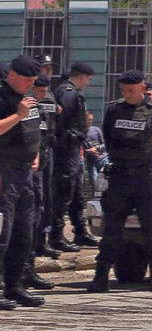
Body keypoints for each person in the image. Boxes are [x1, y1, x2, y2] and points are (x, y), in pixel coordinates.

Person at [87, 70, 152, 293]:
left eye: (130, 90)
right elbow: (108, 138)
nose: (126, 94)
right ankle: (101, 276)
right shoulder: (114, 110)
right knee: (112, 229)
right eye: (123, 90)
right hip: (120, 177)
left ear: (142, 88)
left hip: (147, 177)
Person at [0, 55, 46, 308]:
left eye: (33, 81)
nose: (30, 85)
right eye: (27, 80)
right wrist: (18, 114)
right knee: (2, 232)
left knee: (23, 232)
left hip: (25, 172)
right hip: (3, 171)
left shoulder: (27, 101)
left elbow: (35, 131)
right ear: (13, 75)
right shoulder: (5, 99)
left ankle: (15, 286)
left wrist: (35, 155)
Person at [51, 62, 97, 252]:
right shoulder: (68, 93)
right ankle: (56, 236)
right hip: (66, 150)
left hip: (73, 149)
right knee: (64, 192)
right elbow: (60, 124)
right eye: (87, 79)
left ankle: (80, 231)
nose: (87, 83)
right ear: (81, 76)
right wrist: (74, 136)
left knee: (76, 193)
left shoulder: (70, 92)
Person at [22, 75, 58, 292]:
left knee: (34, 218)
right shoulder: (17, 105)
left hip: (38, 169)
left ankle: (27, 271)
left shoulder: (38, 109)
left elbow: (41, 137)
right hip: (18, 170)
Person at [31, 66, 61, 261]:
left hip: (45, 155)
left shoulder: (49, 100)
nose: (42, 95)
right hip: (27, 163)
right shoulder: (22, 105)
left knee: (43, 204)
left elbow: (55, 124)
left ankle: (40, 244)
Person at [84, 118, 109, 194]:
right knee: (96, 187)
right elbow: (80, 150)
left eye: (91, 119)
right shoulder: (80, 133)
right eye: (88, 119)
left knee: (108, 183)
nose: (90, 121)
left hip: (103, 159)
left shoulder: (96, 130)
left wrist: (97, 148)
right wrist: (89, 151)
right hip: (92, 163)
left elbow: (105, 144)